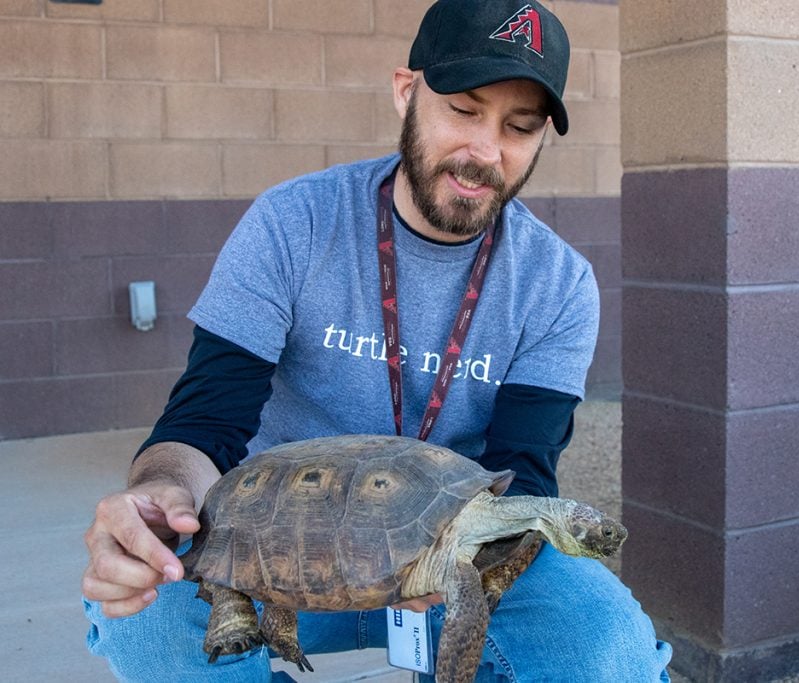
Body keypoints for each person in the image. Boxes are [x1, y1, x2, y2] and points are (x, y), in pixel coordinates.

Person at [81, 0, 673, 680]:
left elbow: (525, 466)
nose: (485, 150)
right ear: (405, 91)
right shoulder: (292, 224)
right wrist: (163, 496)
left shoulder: (559, 283)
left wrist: (464, 580)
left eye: (520, 126)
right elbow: (203, 423)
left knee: (608, 646)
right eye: (464, 108)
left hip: (454, 557)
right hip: (277, 551)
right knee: (147, 616)